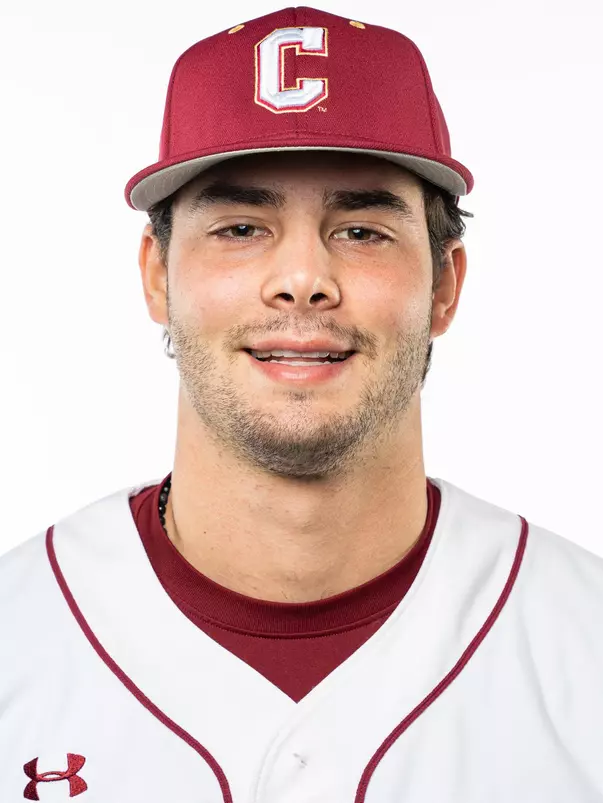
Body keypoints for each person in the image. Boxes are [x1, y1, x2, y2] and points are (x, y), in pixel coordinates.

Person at [1, 6, 602, 801]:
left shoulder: (582, 651)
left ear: (444, 287)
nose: (301, 277)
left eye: (361, 230)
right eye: (241, 225)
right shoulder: (17, 644)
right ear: (157, 276)